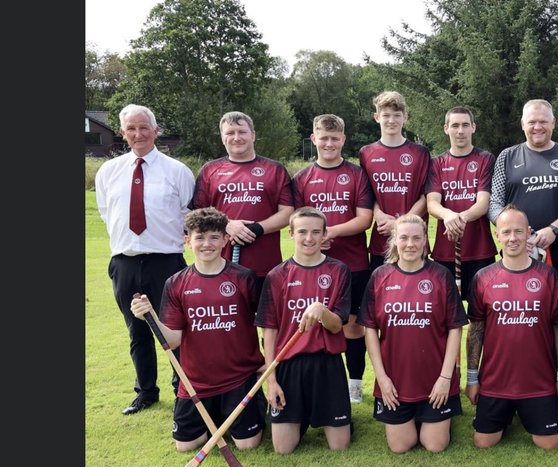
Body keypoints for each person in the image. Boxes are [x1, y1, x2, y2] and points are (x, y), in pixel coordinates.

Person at [129, 207, 267, 451]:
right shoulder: (176, 283)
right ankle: (218, 417)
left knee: (247, 445)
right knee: (185, 446)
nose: (207, 244)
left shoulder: (244, 277)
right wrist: (150, 317)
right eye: (200, 237)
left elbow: (266, 322)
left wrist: (266, 361)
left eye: (214, 237)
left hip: (238, 377)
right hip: (195, 382)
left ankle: (250, 405)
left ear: (225, 240)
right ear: (187, 241)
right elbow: (173, 340)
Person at [95, 103, 195, 415]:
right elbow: (107, 213)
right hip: (124, 262)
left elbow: (188, 215)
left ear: (155, 130)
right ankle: (146, 392)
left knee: (174, 328)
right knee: (136, 330)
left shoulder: (177, 171)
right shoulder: (108, 171)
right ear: (122, 133)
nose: (138, 134)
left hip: (166, 262)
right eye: (131, 128)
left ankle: (183, 389)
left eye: (144, 128)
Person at [359, 215, 468, 453]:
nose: (410, 244)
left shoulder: (441, 276)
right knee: (400, 446)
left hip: (435, 380)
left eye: (417, 238)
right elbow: (370, 329)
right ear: (395, 241)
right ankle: (418, 418)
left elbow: (455, 328)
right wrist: (382, 379)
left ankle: (433, 417)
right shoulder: (379, 277)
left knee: (435, 445)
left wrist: (445, 378)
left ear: (425, 241)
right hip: (396, 381)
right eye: (404, 238)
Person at [465, 205, 558, 450]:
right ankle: (509, 413)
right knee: (483, 442)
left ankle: (523, 411)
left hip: (539, 382)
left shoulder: (548, 276)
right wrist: (472, 378)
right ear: (497, 235)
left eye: (519, 231)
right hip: (495, 382)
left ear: (528, 233)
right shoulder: (483, 278)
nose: (513, 238)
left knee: (550, 444)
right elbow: (475, 330)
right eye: (506, 232)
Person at [255, 207, 354, 454]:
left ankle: (330, 415)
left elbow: (337, 325)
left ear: (324, 235)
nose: (309, 238)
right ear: (291, 234)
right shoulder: (277, 275)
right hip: (289, 365)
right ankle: (301, 415)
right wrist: (271, 381)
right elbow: (269, 332)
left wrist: (321, 310)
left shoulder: (338, 270)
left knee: (339, 446)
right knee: (283, 449)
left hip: (327, 364)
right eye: (302, 232)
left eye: (315, 232)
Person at [293, 114, 375, 404]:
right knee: (316, 321)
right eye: (323, 138)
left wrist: (332, 232)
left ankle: (355, 384)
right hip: (312, 266)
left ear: (343, 139)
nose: (329, 143)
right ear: (313, 139)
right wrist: (315, 238)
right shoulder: (301, 178)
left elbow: (365, 218)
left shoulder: (356, 174)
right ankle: (321, 381)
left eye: (335, 138)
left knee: (353, 325)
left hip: (354, 264)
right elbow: (296, 221)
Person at [488, 99, 558, 289]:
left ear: (553, 123)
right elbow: (494, 204)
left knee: (556, 304)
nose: (537, 127)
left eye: (543, 121)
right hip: (516, 248)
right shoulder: (507, 157)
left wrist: (553, 230)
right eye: (532, 122)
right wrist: (518, 233)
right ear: (522, 124)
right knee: (516, 303)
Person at [193, 111, 297, 291]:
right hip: (219, 265)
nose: (236, 137)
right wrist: (226, 225)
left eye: (242, 132)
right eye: (230, 133)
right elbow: (197, 213)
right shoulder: (210, 170)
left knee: (264, 310)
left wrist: (257, 228)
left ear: (253, 135)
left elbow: (288, 212)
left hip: (266, 266)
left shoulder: (275, 169)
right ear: (222, 138)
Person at [426, 106, 497, 298]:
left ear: (473, 127)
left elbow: (483, 203)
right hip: (445, 252)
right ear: (446, 128)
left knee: (481, 310)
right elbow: (432, 203)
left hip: (480, 250)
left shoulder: (485, 159)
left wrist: (459, 219)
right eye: (455, 125)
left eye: (465, 125)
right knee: (447, 310)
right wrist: (448, 215)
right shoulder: (436, 163)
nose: (460, 131)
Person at [359, 91, 433, 274]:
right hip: (381, 239)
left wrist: (400, 224)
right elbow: (366, 195)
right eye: (386, 115)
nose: (391, 120)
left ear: (405, 117)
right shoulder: (366, 153)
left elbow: (427, 196)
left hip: (414, 239)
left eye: (397, 115)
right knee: (381, 289)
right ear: (377, 117)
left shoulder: (420, 153)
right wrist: (378, 215)